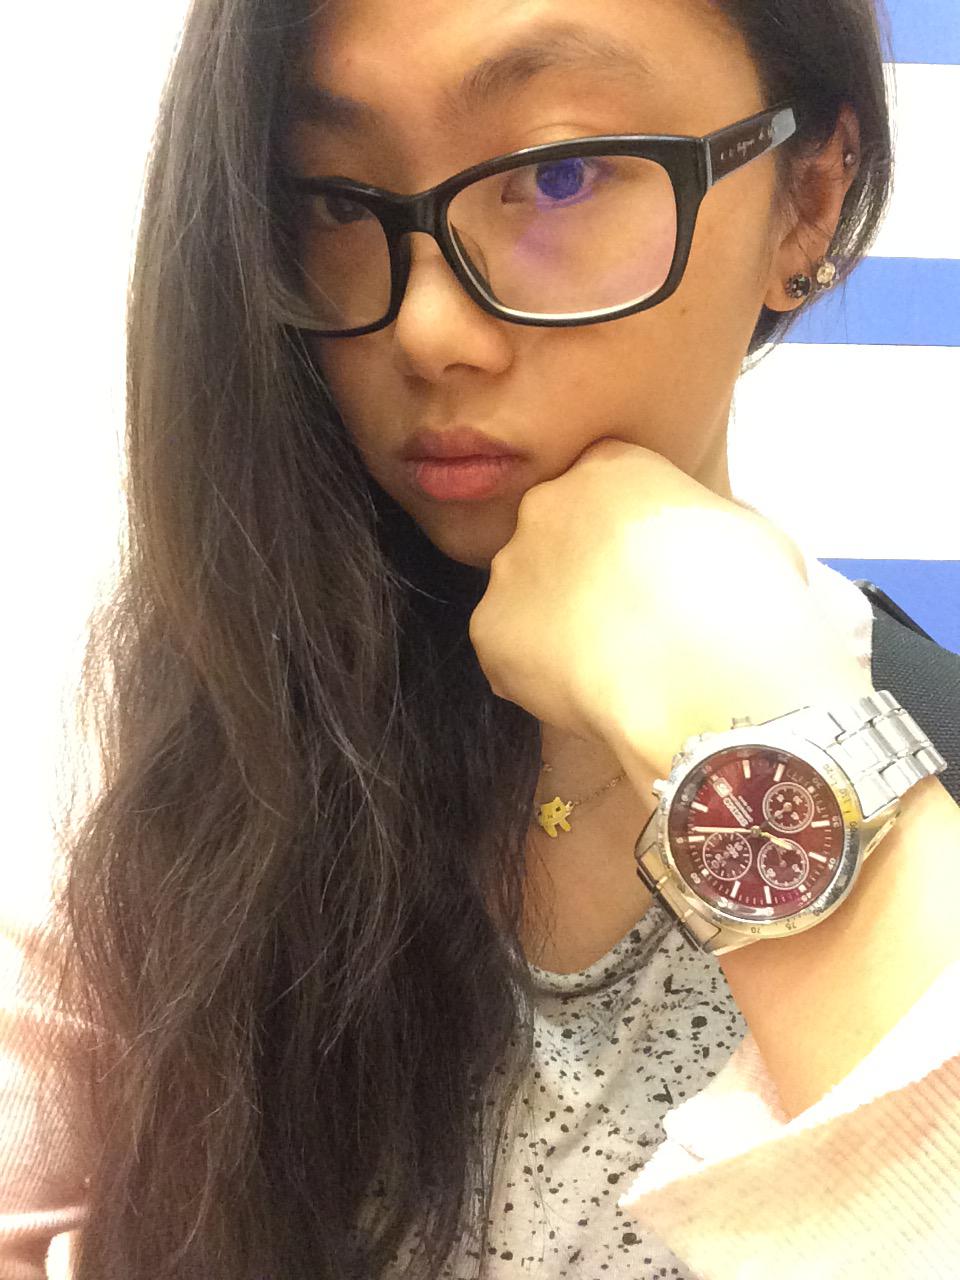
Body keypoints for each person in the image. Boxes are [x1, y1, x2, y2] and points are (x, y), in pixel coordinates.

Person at [4, 0, 960, 1277]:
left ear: (809, 201)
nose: (428, 330)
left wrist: (755, 719)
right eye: (335, 202)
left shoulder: (938, 774)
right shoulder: (218, 753)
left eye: (559, 175)